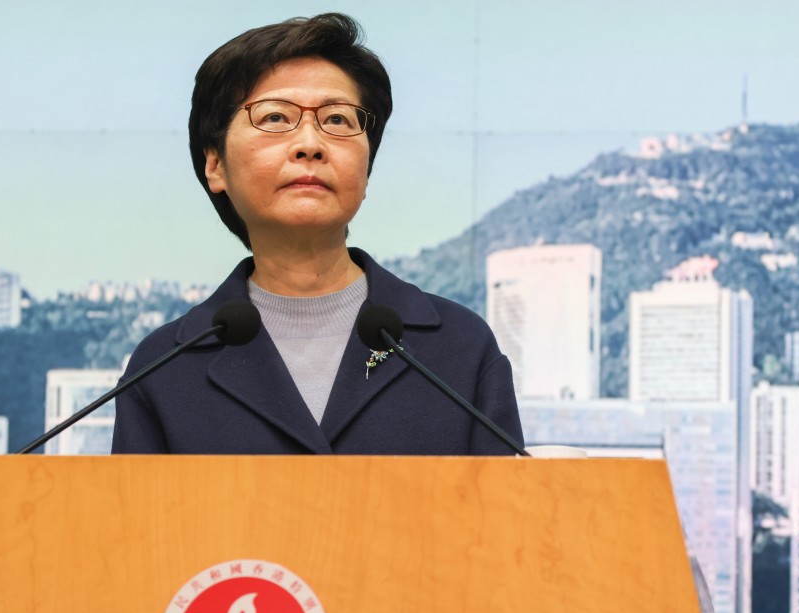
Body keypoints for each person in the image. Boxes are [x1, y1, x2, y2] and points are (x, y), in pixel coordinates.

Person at [112, 13, 523, 455]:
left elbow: (503, 520)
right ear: (215, 166)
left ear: (366, 170)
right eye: (274, 117)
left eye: (339, 120)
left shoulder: (458, 349)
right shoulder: (164, 368)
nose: (310, 143)